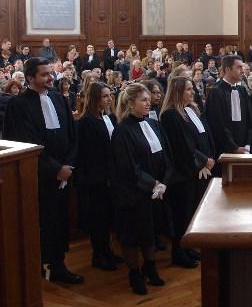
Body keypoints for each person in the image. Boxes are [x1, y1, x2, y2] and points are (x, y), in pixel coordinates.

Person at [4, 57, 83, 284]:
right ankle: (40, 266)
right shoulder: (18, 105)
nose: (50, 78)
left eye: (51, 73)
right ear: (30, 78)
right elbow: (26, 141)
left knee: (60, 221)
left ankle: (57, 264)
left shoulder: (59, 99)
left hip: (64, 176)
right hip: (38, 177)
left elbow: (72, 136)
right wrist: (55, 169)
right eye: (44, 74)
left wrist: (69, 166)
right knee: (42, 222)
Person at [109, 83, 173, 295]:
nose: (149, 103)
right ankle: (134, 274)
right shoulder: (122, 131)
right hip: (133, 193)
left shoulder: (153, 125)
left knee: (150, 234)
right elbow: (128, 167)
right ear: (130, 103)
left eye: (148, 99)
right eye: (143, 100)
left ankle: (150, 268)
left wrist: (163, 181)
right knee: (132, 236)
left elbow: (166, 155)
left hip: (156, 191)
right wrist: (152, 184)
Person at [160, 76, 215, 268]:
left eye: (192, 89)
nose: (193, 92)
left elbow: (201, 137)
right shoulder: (170, 115)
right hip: (182, 172)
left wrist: (207, 157)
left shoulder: (188, 111)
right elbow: (182, 146)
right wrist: (201, 161)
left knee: (190, 212)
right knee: (180, 214)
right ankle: (178, 252)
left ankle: (187, 247)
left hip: (193, 170)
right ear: (178, 92)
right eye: (188, 89)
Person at [76, 82, 121, 271]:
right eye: (104, 96)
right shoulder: (87, 121)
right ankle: (98, 254)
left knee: (108, 218)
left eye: (110, 95)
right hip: (96, 178)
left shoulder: (108, 118)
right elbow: (88, 153)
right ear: (95, 99)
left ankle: (107, 251)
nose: (109, 98)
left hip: (110, 175)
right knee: (98, 219)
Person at [205, 55, 252, 154]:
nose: (242, 71)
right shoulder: (216, 91)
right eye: (239, 67)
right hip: (225, 148)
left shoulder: (242, 90)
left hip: (245, 147)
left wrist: (248, 143)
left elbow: (250, 118)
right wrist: (233, 147)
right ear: (227, 69)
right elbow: (217, 123)